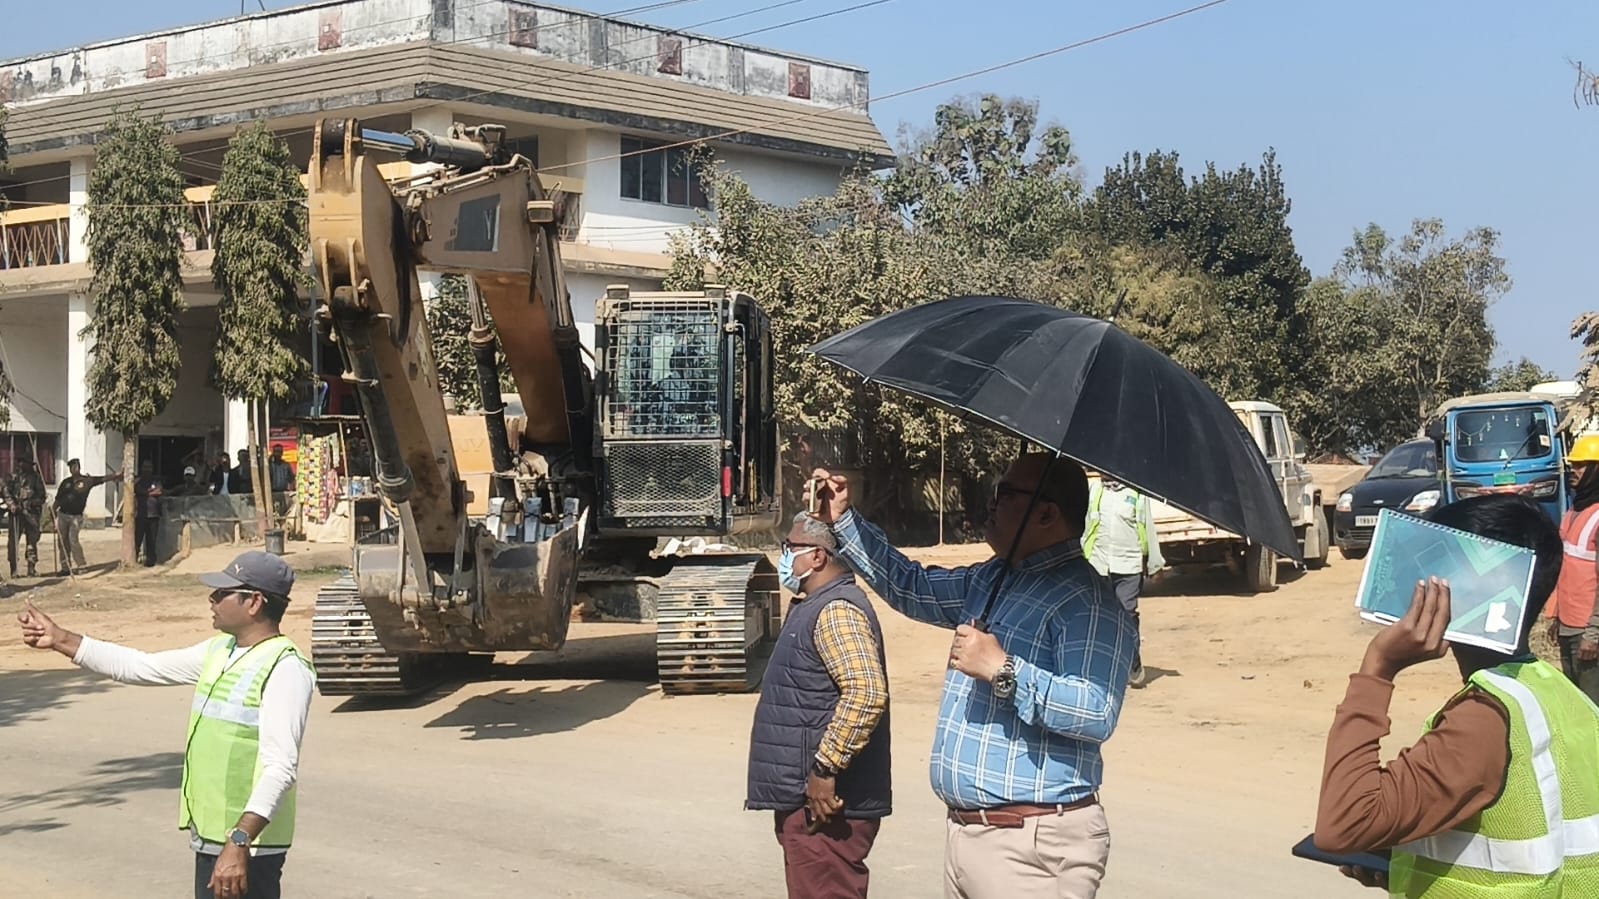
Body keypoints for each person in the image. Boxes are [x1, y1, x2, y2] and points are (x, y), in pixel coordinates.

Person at [812, 454, 1137, 899]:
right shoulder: (994, 578)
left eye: (1005, 495)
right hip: (971, 836)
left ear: (1046, 513)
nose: (990, 504)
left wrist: (1003, 670)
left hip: (1032, 844)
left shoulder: (1088, 602)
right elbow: (911, 586)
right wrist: (844, 519)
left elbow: (1096, 710)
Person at [1313, 494, 1599, 895]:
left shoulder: (1484, 718)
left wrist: (1378, 666)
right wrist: (1404, 864)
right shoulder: (1562, 697)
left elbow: (1342, 825)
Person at [17, 550, 315, 899]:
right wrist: (61, 639)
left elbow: (280, 768)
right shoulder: (220, 650)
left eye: (223, 593)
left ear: (254, 603)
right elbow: (141, 666)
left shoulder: (285, 669)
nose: (212, 598)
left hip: (249, 848)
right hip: (213, 838)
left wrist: (239, 840)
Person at [746, 512, 892, 899]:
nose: (784, 557)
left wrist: (825, 768)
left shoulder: (836, 610)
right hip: (810, 804)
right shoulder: (815, 605)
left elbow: (866, 691)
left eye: (789, 548)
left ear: (817, 557)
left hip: (827, 807)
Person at [1083, 475, 1165, 687]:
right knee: (1099, 617)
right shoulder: (1095, 491)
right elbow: (1085, 526)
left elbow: (1148, 528)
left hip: (1128, 565)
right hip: (1098, 563)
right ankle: (1103, 667)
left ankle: (1133, 663)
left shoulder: (1136, 493)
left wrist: (1155, 563)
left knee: (1127, 615)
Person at [1544, 434, 1599, 705]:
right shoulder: (1573, 512)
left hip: (1588, 631)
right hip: (1569, 624)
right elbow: (1564, 567)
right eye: (1573, 465)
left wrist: (1593, 634)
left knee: (1593, 706)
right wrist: (1555, 615)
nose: (1573, 471)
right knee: (1577, 704)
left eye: (1581, 465)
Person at [52, 458, 124, 574]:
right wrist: (53, 513)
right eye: (71, 467)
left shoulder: (86, 481)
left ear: (79, 467)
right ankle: (65, 567)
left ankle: (81, 565)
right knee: (62, 542)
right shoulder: (66, 483)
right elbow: (58, 499)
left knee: (73, 540)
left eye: (75, 466)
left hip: (76, 516)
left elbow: (102, 479)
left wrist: (116, 475)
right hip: (63, 515)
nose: (73, 469)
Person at [6, 457, 47, 578]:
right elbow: (6, 491)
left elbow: (42, 496)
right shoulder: (13, 477)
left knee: (32, 542)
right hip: (16, 514)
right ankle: (14, 570)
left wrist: (33, 502)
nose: (24, 465)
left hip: (31, 513)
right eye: (23, 462)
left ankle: (31, 569)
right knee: (13, 543)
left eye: (27, 463)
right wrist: (11, 504)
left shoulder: (36, 478)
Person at [134, 460, 165, 567]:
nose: (147, 469)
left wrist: (146, 493)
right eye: (145, 467)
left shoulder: (156, 480)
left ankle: (151, 561)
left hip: (154, 515)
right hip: (140, 515)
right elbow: (138, 490)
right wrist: (150, 492)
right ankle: (134, 560)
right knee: (137, 539)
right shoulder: (138, 480)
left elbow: (159, 491)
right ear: (142, 468)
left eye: (149, 467)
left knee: (151, 540)